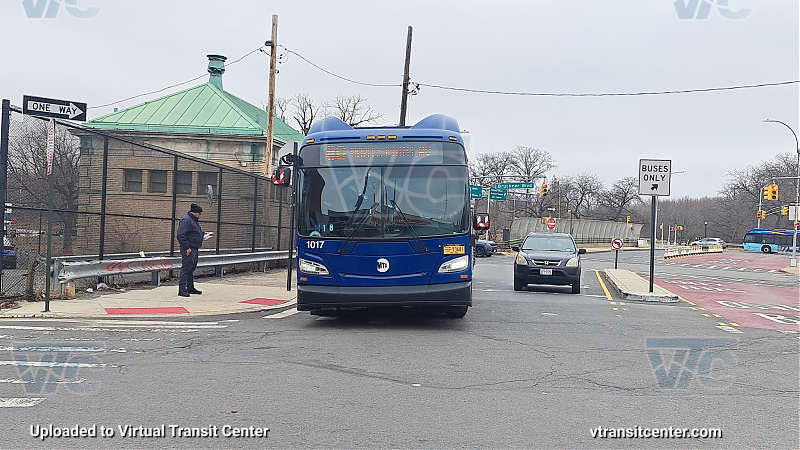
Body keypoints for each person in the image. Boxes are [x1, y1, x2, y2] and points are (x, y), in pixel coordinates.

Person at [176, 203, 205, 297]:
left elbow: (193, 233)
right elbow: (181, 235)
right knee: (186, 268)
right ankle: (182, 289)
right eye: (199, 213)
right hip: (189, 248)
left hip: (194, 247)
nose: (200, 215)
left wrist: (203, 234)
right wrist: (187, 248)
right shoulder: (186, 220)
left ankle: (190, 287)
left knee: (191, 268)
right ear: (194, 212)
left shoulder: (193, 220)